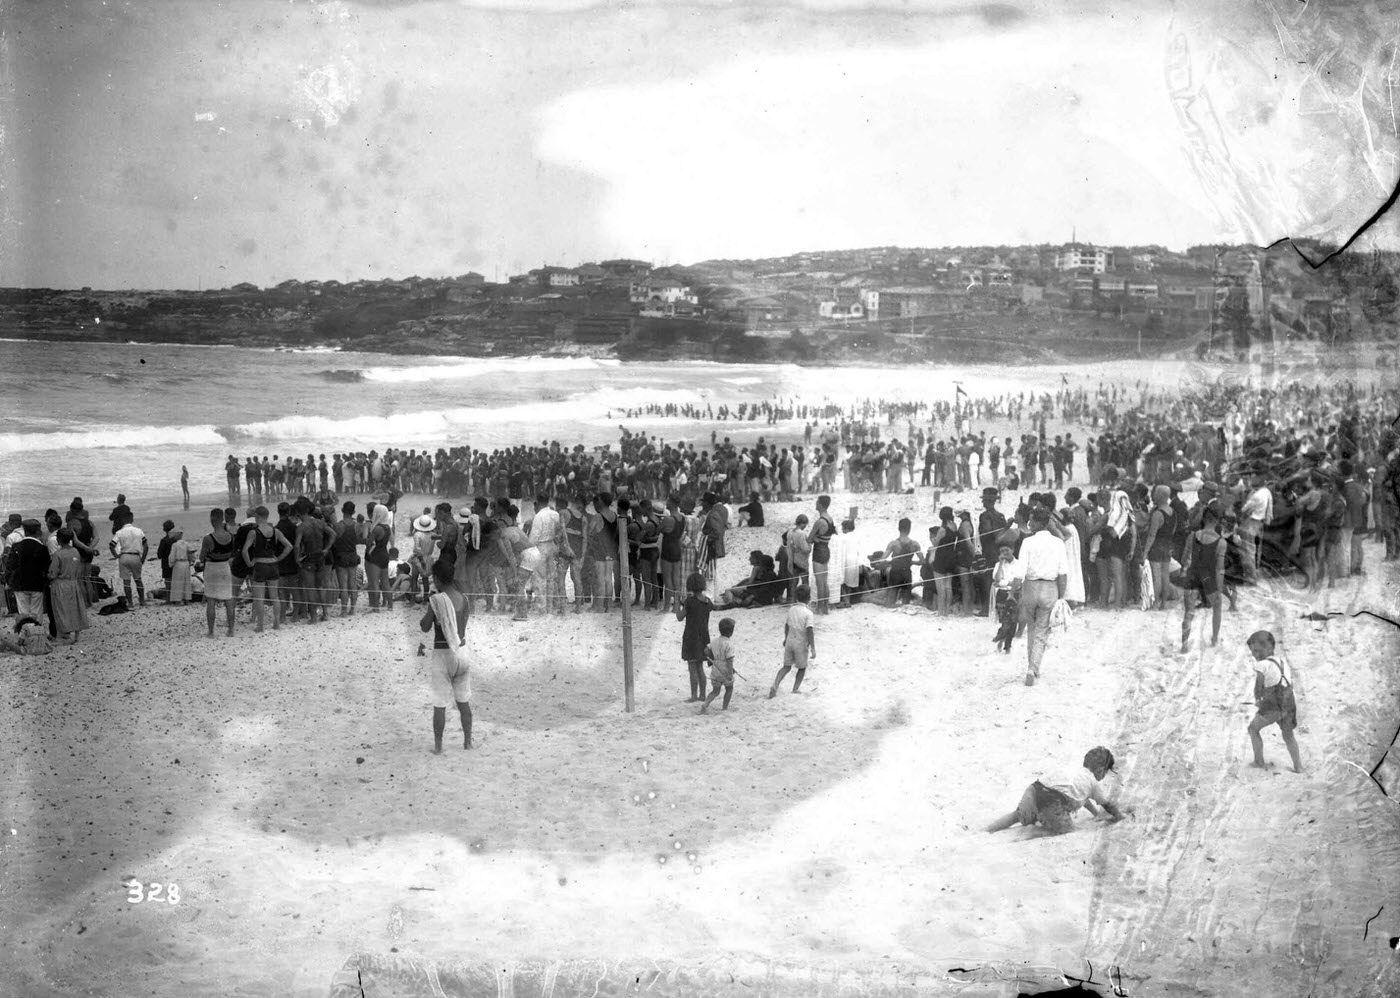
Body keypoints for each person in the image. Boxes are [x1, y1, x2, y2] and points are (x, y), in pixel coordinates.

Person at [986, 746, 1129, 834]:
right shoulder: (1093, 782)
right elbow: (1108, 805)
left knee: (1016, 816)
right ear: (1100, 769)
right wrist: (1121, 817)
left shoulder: (1077, 774)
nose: (1103, 776)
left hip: (1035, 789)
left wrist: (1095, 813)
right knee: (1067, 830)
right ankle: (1035, 830)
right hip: (1051, 800)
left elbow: (1081, 797)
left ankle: (986, 830)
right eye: (1105, 773)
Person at [419, 560, 474, 753]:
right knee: (463, 701)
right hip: (462, 651)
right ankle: (467, 742)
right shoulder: (464, 599)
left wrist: (430, 609)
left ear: (436, 578)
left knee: (440, 703)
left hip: (442, 653)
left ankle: (438, 746)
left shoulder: (437, 600)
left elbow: (425, 626)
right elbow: (462, 627)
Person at [1018, 508, 1069, 686]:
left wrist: (1013, 591)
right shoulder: (1058, 543)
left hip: (1030, 586)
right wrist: (1062, 596)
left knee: (1031, 627)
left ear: (1040, 523)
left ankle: (1031, 665)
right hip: (1050, 587)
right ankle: (1033, 667)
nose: (1030, 524)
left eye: (1032, 521)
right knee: (1042, 629)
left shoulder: (1027, 542)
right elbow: (1063, 573)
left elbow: (1020, 570)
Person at [1245, 629, 1303, 773]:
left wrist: (1258, 700)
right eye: (1253, 652)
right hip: (1289, 703)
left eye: (1257, 651)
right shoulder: (1282, 661)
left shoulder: (1262, 665)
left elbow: (1258, 687)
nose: (1254, 655)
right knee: (1288, 735)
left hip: (1272, 706)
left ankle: (1259, 761)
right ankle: (1298, 766)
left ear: (1269, 648)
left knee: (1253, 729)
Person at [1179, 501, 1227, 653]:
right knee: (1217, 607)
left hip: (1193, 575)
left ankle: (1184, 644)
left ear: (1204, 518)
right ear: (1218, 521)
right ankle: (1214, 639)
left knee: (1189, 612)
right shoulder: (1221, 542)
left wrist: (1184, 570)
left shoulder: (1192, 536)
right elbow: (1220, 569)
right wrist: (1218, 589)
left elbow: (1184, 559)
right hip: (1209, 578)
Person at [243, 505, 294, 632]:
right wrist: (279, 558)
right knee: (274, 596)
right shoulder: (275, 531)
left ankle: (260, 625)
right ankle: (276, 623)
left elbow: (244, 550)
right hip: (273, 564)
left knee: (259, 597)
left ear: (258, 516)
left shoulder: (253, 532)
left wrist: (249, 563)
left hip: (260, 565)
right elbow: (289, 546)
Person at [769, 583, 816, 698]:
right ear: (809, 598)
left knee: (786, 666)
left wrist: (785, 638)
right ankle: (795, 688)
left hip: (790, 640)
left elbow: (787, 626)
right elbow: (809, 631)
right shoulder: (808, 613)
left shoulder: (791, 609)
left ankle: (775, 684)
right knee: (802, 667)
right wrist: (813, 647)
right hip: (801, 643)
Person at [197, 507, 236, 638]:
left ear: (212, 520)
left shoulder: (208, 538)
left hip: (212, 567)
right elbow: (231, 553)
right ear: (222, 519)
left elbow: (202, 557)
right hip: (224, 567)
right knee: (228, 598)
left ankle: (211, 632)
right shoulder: (230, 536)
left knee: (211, 600)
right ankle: (231, 630)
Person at [46, 528, 89, 643]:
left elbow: (53, 573)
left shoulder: (58, 554)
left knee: (61, 610)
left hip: (60, 584)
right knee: (75, 608)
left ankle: (62, 635)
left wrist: (48, 576)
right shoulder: (75, 551)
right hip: (73, 583)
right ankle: (77, 635)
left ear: (59, 539)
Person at [676, 571, 713, 702]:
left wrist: (676, 603)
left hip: (691, 637)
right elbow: (699, 608)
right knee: (700, 668)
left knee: (692, 668)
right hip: (704, 637)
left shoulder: (689, 602)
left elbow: (680, 617)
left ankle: (693, 695)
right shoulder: (708, 602)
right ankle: (702, 695)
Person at [108, 512, 148, 609]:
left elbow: (111, 545)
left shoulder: (119, 532)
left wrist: (116, 555)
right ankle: (142, 600)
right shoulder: (139, 531)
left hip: (124, 556)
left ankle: (130, 602)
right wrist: (142, 558)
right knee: (138, 579)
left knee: (126, 582)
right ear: (132, 519)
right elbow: (146, 546)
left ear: (122, 521)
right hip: (135, 556)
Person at [991, 542, 1023, 653]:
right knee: (1005, 620)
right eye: (1002, 551)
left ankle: (1006, 644)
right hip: (1002, 594)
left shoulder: (1019, 564)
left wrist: (1005, 583)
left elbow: (1019, 581)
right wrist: (1000, 563)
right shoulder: (998, 565)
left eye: (1006, 550)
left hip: (1015, 594)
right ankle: (1001, 638)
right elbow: (996, 579)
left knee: (1013, 621)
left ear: (1012, 549)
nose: (1004, 553)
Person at [701, 616, 738, 714]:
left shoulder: (714, 641)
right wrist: (730, 672)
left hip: (716, 668)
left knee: (715, 691)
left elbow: (706, 650)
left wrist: (710, 657)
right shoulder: (729, 644)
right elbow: (729, 660)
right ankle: (724, 707)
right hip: (725, 669)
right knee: (729, 689)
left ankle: (705, 704)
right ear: (731, 632)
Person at [882, 517, 923, 606]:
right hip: (907, 573)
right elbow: (922, 561)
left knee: (891, 600)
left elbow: (882, 559)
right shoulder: (915, 544)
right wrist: (911, 562)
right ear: (909, 529)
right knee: (906, 603)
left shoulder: (893, 544)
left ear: (898, 528)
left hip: (895, 572)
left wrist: (890, 562)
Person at [808, 495, 837, 614]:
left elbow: (809, 539)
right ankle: (825, 607)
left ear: (820, 504)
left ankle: (820, 608)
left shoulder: (819, 522)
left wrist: (815, 538)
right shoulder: (829, 519)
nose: (815, 503)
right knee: (824, 581)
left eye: (817, 502)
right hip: (826, 549)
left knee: (819, 582)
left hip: (819, 551)